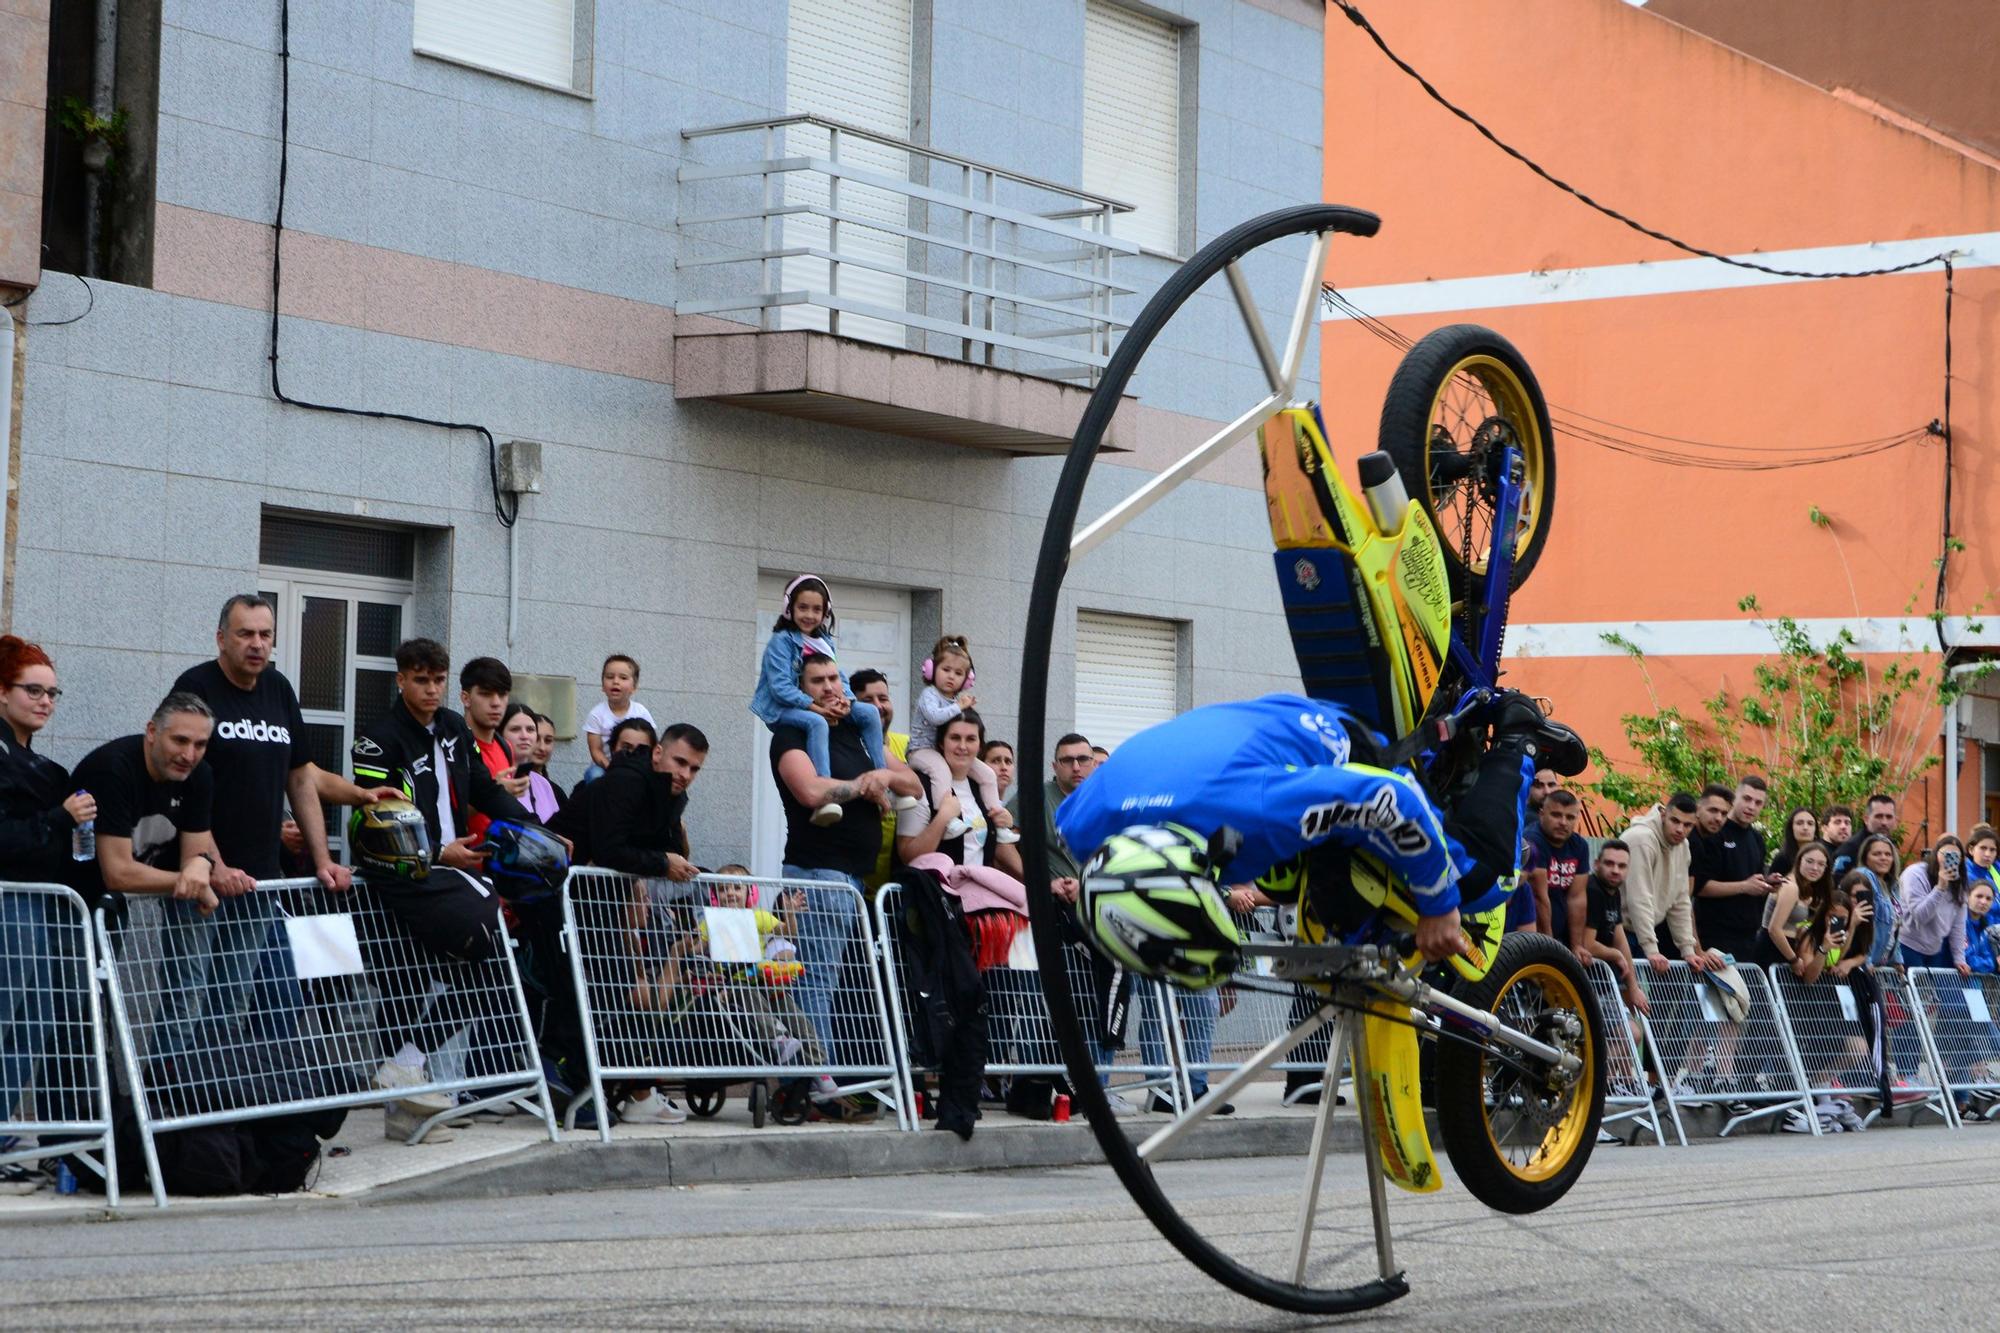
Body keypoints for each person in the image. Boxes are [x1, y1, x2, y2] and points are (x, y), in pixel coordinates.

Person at [1056, 690, 1589, 967]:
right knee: (1300, 886)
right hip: (1258, 742)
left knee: (1478, 883)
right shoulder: (1081, 825)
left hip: (1338, 754)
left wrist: (1437, 904)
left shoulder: (1255, 811)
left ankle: (1519, 734)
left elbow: (1389, 799)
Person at [167, 595, 400, 1066]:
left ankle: (215, 1109)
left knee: (231, 1003)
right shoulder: (196, 687)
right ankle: (167, 1110)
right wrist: (214, 863)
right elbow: (183, 779)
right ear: (221, 639)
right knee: (187, 999)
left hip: (260, 875)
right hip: (202, 878)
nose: (256, 645)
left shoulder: (279, 689)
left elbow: (300, 777)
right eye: (245, 634)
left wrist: (321, 860)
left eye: (265, 635)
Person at [350, 638, 545, 1137]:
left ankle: (405, 1083)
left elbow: (482, 788)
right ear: (400, 680)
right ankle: (403, 1093)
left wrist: (534, 831)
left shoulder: (454, 728)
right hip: (403, 878)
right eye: (421, 680)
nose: (431, 689)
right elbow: (372, 820)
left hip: (452, 870)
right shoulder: (378, 738)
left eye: (438, 680)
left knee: (489, 974)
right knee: (411, 984)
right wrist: (437, 853)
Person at [769, 650, 922, 1084]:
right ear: (800, 691)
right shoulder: (791, 733)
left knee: (832, 982)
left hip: (850, 878)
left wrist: (885, 778)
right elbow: (810, 791)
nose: (829, 687)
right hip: (819, 872)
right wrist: (863, 785)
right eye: (817, 681)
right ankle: (817, 1081)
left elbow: (912, 782)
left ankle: (822, 1078)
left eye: (834, 678)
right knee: (815, 982)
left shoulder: (857, 730)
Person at [0, 636, 96, 1189]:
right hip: (11, 903)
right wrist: (61, 818)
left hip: (41, 905)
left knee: (32, 1026)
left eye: (52, 692)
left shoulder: (41, 764)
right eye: (32, 690)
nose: (44, 701)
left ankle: (7, 1134)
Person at [751, 575, 893, 827]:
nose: (809, 614)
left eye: (816, 609)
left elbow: (839, 677)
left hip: (819, 705)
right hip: (783, 708)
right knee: (817, 722)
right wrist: (819, 708)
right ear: (789, 608)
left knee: (869, 713)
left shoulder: (825, 642)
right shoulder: (780, 642)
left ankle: (881, 778)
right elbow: (781, 688)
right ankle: (826, 797)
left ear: (825, 612)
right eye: (802, 607)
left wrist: (846, 701)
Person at [905, 636, 1015, 845]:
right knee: (941, 772)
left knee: (987, 775)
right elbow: (935, 717)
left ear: (967, 678)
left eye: (958, 673)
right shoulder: (929, 694)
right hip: (921, 750)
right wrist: (959, 707)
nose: (951, 677)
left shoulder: (956, 701)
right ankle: (948, 820)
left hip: (939, 751)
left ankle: (998, 822)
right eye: (946, 670)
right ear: (931, 670)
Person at [1618, 793, 1721, 975]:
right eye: (1675, 821)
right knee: (1613, 997)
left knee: (1637, 999)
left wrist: (1688, 950)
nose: (1680, 829)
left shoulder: (1683, 847)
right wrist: (1652, 949)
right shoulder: (1641, 839)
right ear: (1664, 814)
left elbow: (1680, 901)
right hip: (1619, 932)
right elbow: (1639, 898)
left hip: (1642, 933)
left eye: (1687, 825)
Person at [1690, 777, 1772, 963]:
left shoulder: (1757, 839)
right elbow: (1699, 888)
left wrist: (1767, 884)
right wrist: (1744, 886)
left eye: (1758, 803)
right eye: (1747, 799)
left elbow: (1753, 882)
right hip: (1715, 935)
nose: (1751, 806)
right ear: (1735, 798)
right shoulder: (1715, 833)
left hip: (1749, 936)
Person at [850, 669, 917, 894]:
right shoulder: (846, 747)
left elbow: (920, 788)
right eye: (867, 700)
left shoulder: (909, 746)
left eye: (884, 698)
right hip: (857, 885)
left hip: (901, 886)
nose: (878, 706)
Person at [1569, 839, 1648, 1016]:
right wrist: (1615, 954)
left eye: (1621, 866)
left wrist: (1634, 987)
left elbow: (1620, 939)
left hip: (1600, 980)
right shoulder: (1593, 889)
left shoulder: (1614, 892)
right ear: (1596, 864)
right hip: (1583, 980)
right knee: (1628, 1034)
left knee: (1631, 1034)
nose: (1615, 870)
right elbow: (1588, 944)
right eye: (1609, 863)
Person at [459, 657, 527, 841]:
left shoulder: (505, 747)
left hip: (498, 862)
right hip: (460, 861)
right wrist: (492, 795)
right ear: (466, 698)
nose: (496, 702)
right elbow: (441, 815)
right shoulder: (453, 747)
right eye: (486, 694)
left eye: (503, 694)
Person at [1899, 837, 1972, 976]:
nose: (1950, 859)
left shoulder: (1960, 882)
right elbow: (1920, 916)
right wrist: (1940, 888)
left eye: (1956, 856)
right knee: (1915, 992)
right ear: (1936, 854)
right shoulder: (1915, 873)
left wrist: (1959, 958)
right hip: (1909, 944)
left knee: (1934, 994)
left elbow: (1958, 924)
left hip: (1935, 947)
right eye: (1946, 855)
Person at [1521, 788, 1588, 936]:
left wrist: (1577, 945)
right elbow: (1539, 897)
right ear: (1541, 814)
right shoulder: (1532, 840)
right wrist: (1549, 946)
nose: (1563, 822)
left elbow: (1577, 898)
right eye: (1556, 815)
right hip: (1531, 934)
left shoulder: (1580, 845)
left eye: (1570, 817)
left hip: (1561, 933)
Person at [1758, 840, 1833, 971]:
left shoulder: (1805, 889)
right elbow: (1774, 929)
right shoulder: (1791, 887)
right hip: (1772, 950)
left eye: (1821, 864)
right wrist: (1793, 959)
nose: (1815, 868)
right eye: (1809, 861)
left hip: (1784, 949)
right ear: (1799, 861)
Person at [583, 654, 654, 776]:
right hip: (605, 767)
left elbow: (651, 744)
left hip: (636, 766)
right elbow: (595, 750)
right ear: (602, 685)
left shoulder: (641, 712)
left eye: (623, 678)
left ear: (634, 687)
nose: (615, 681)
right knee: (594, 775)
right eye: (610, 677)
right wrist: (612, 769)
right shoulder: (596, 714)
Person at [501, 704, 562, 822]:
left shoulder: (544, 784)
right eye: (515, 729)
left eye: (530, 729)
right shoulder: (489, 776)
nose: (524, 736)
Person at [1833, 793, 1896, 874]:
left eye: (1889, 817)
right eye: (1879, 816)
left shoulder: (1890, 845)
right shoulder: (1849, 849)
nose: (1884, 822)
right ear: (1866, 819)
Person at [1767, 807, 1819, 878]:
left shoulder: (1822, 856)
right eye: (1799, 823)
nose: (1805, 827)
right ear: (1791, 828)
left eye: (1810, 824)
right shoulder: (1782, 858)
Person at [530, 713, 567, 805]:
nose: (542, 747)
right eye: (536, 739)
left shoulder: (557, 794)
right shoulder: (512, 788)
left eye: (548, 740)